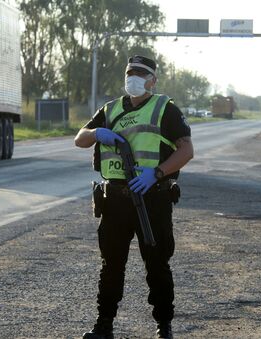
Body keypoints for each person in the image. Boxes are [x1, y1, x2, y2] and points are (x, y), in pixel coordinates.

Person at [74, 55, 194, 339]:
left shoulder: (166, 109)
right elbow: (79, 139)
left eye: (141, 73)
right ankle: (104, 326)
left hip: (152, 197)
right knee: (111, 265)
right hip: (115, 199)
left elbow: (186, 151)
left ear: (153, 80)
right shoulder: (111, 109)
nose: (134, 78)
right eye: (130, 72)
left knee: (157, 264)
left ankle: (164, 327)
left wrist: (158, 173)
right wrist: (96, 132)